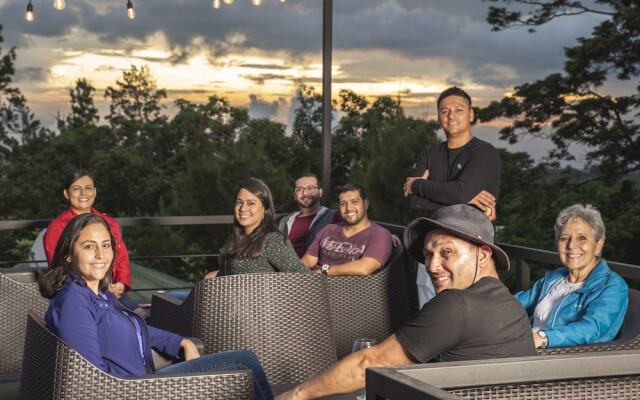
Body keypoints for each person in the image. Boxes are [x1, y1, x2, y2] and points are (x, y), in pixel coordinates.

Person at [277, 204, 535, 399]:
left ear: (483, 254)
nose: (433, 266)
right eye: (428, 254)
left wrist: (296, 395)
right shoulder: (510, 304)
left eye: (446, 252)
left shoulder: (457, 305)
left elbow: (368, 364)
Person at [38, 213, 273, 400]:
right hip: (136, 390)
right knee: (243, 362)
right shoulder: (75, 302)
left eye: (106, 245)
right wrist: (148, 388)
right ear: (69, 254)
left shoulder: (97, 292)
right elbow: (91, 381)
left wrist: (181, 342)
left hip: (142, 383)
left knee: (242, 366)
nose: (101, 254)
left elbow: (136, 328)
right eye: (89, 246)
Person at [516, 204, 628, 349]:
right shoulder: (554, 278)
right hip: (525, 347)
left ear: (598, 245)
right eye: (564, 238)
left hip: (564, 360)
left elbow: (592, 328)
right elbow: (516, 304)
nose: (571, 245)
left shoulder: (613, 286)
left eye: (581, 238)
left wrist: (543, 338)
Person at [403, 87, 500, 220]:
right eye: (444, 111)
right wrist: (463, 199)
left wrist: (416, 185)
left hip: (473, 232)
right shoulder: (429, 153)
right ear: (439, 117)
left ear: (471, 114)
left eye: (459, 110)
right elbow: (415, 202)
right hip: (433, 229)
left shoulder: (484, 152)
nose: (451, 116)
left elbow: (459, 193)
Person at [43, 170, 133, 305]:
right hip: (80, 294)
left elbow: (121, 258)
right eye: (76, 189)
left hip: (113, 293)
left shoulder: (109, 223)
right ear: (66, 193)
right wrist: (100, 285)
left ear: (95, 192)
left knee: (142, 317)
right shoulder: (57, 227)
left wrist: (121, 284)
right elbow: (59, 267)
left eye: (88, 188)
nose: (83, 193)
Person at [210, 177, 310, 277]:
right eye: (239, 202)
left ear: (264, 209)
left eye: (251, 203)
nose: (243, 208)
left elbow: (304, 277)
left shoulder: (272, 241)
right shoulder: (232, 241)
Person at [302, 184, 393, 276]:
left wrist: (323, 271)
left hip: (344, 287)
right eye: (343, 203)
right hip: (312, 282)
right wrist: (294, 274)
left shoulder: (380, 234)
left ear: (365, 204)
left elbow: (364, 268)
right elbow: (309, 260)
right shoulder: (329, 229)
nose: (348, 208)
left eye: (354, 202)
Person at [278, 173, 341, 258]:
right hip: (284, 269)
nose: (305, 193)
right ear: (295, 196)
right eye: (299, 189)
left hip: (316, 270)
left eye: (310, 188)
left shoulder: (335, 216)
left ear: (320, 192)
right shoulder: (285, 221)